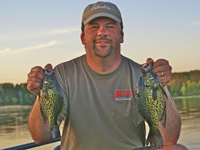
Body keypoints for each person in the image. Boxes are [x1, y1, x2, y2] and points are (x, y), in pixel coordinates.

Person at [27, 1, 188, 150]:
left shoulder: (140, 74)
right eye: (94, 27)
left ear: (122, 36)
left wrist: (160, 86)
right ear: (83, 37)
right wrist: (42, 95)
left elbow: (169, 139)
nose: (102, 32)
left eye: (110, 26)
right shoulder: (62, 73)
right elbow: (41, 138)